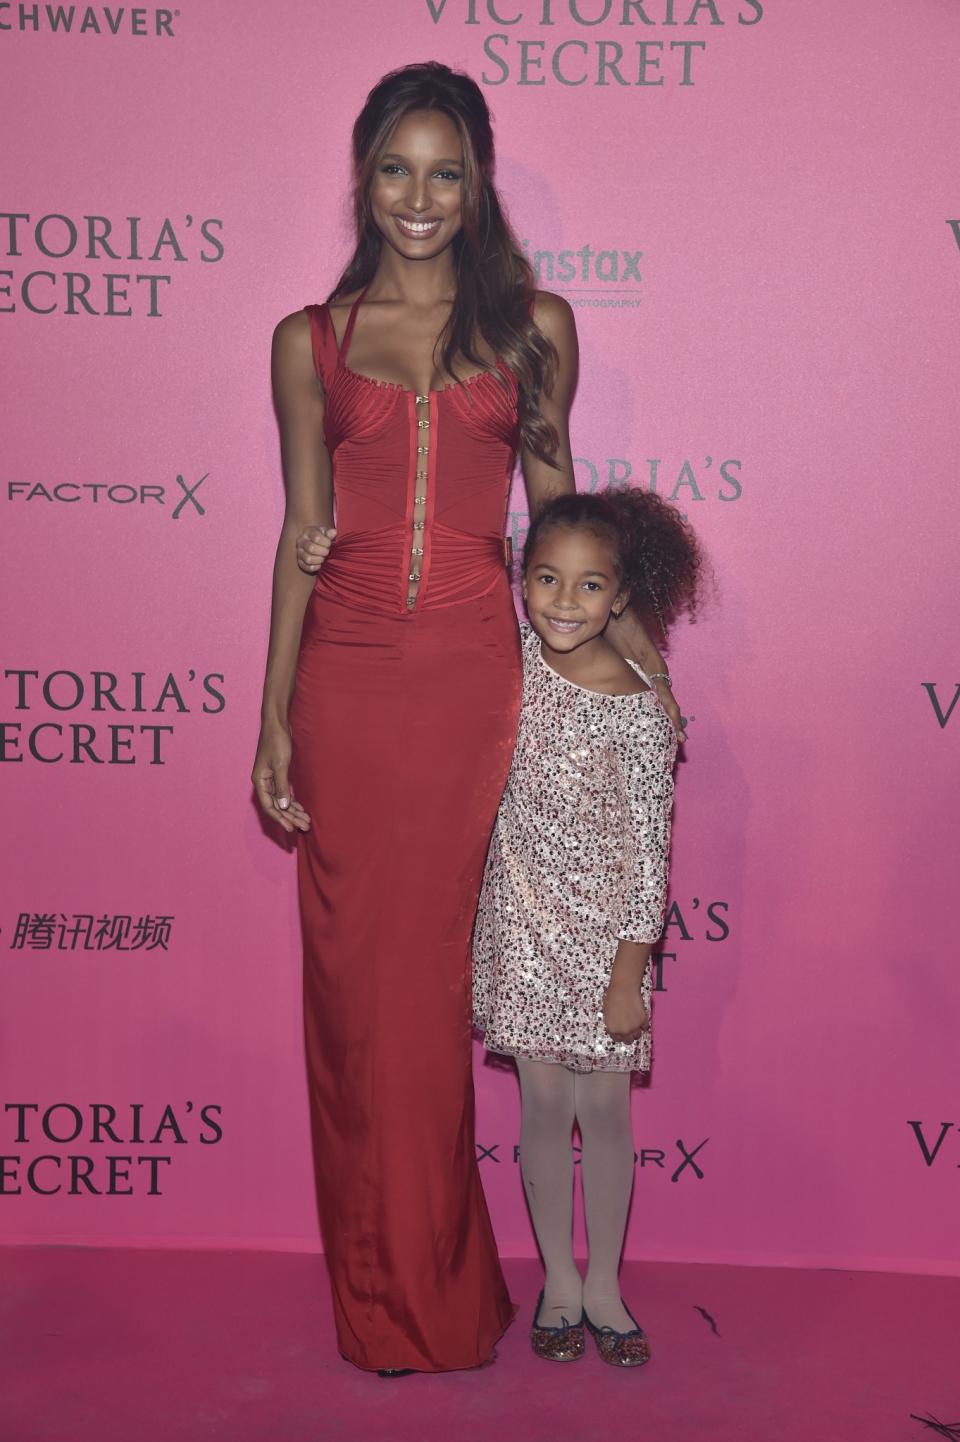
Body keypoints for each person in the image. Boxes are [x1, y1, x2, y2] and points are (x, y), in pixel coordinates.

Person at [252, 60, 683, 1375]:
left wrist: (636, 654)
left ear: (479, 178)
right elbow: (302, 533)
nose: (420, 197)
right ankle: (386, 1297)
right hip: (346, 680)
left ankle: (446, 1290)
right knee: (353, 995)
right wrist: (272, 715)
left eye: (446, 170)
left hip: (469, 687)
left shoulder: (533, 327)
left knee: (432, 991)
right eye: (396, 169)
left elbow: (562, 518)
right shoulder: (306, 340)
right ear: (363, 179)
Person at [473, 487, 704, 1368]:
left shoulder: (645, 709)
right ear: (522, 581)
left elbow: (652, 850)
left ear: (623, 595)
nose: (564, 602)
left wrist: (627, 972)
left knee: (604, 1114)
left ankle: (604, 1285)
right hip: (519, 926)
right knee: (541, 1108)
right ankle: (558, 1282)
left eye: (590, 585)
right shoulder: (513, 655)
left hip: (606, 943)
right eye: (545, 579)